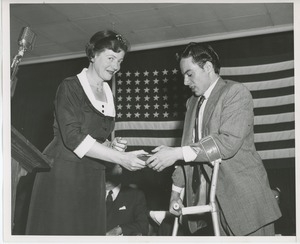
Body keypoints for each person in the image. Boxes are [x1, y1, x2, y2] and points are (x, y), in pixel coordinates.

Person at [146, 42, 282, 236]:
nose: (185, 82)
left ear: (208, 67)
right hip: (214, 206)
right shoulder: (191, 103)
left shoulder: (235, 93)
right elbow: (187, 151)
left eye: (189, 74)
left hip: (246, 203)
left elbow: (227, 143)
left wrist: (176, 153)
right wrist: (175, 194)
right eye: (183, 75)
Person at [25, 30, 147, 235]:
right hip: (63, 172)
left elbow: (96, 136)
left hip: (93, 175)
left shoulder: (108, 93)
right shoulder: (70, 86)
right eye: (110, 58)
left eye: (120, 61)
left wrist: (110, 146)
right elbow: (73, 137)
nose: (116, 66)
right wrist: (120, 157)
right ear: (92, 55)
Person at [105, 165, 149, 236]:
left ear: (120, 169)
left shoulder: (135, 195)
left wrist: (120, 230)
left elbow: (143, 226)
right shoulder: (90, 195)